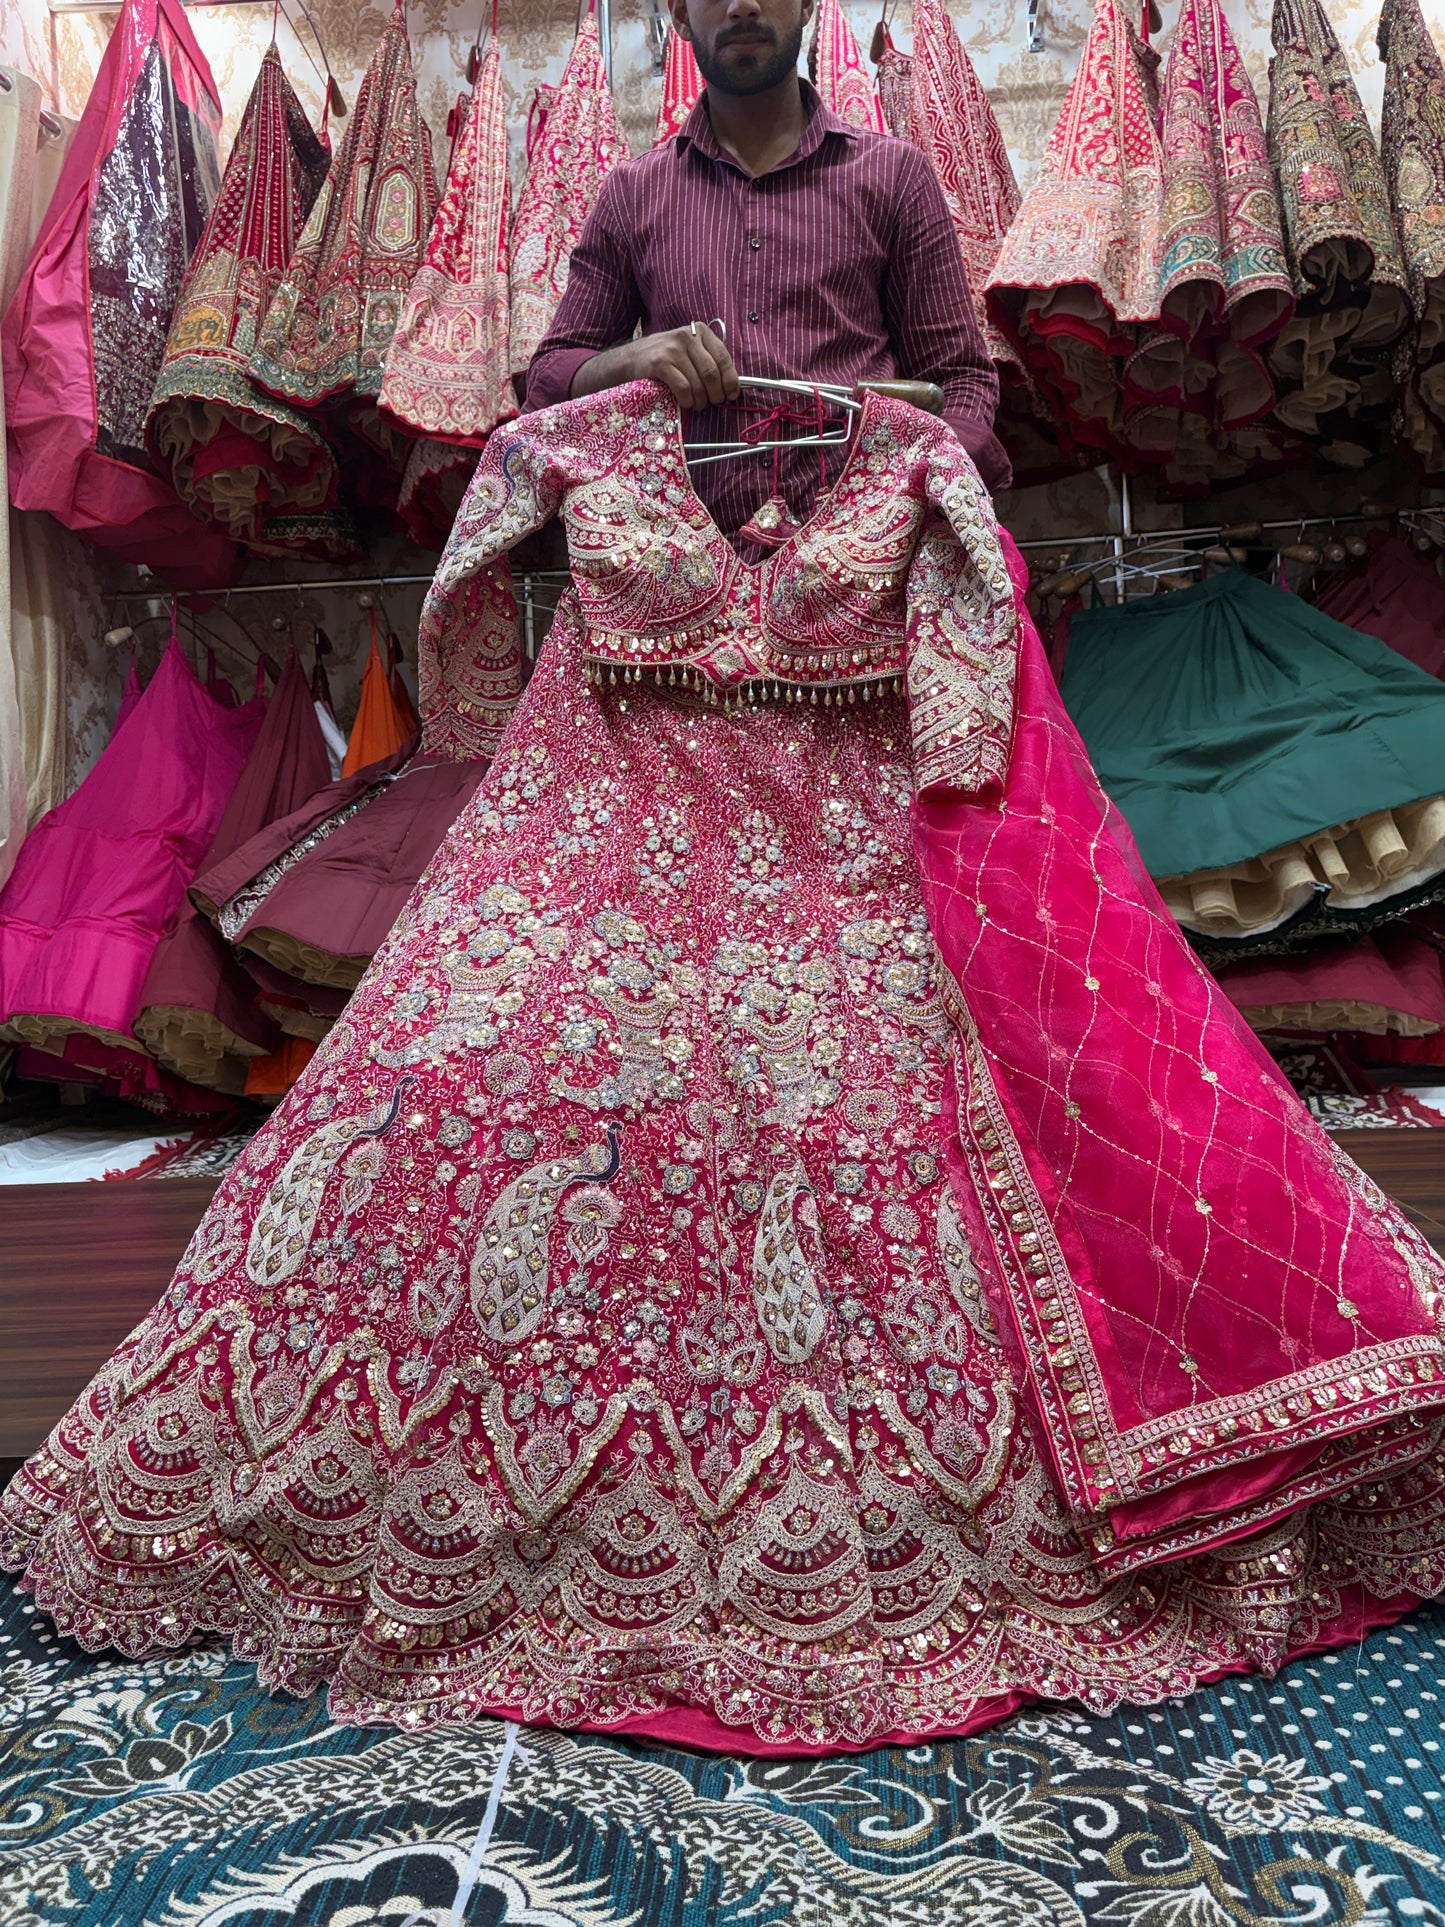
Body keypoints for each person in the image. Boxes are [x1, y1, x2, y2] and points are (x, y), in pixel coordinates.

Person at [526, 0, 1010, 552]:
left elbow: (961, 380)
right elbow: (549, 382)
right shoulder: (633, 195)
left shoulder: (894, 176)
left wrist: (907, 508)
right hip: (685, 581)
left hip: (868, 581)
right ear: (680, 13)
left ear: (807, 4)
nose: (743, 6)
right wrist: (631, 359)